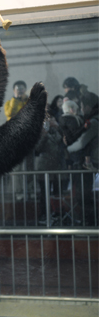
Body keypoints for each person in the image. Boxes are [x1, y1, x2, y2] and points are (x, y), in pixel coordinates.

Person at [67, 93, 98, 225]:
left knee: (83, 196)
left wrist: (66, 148)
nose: (81, 109)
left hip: (91, 163)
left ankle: (89, 223)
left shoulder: (94, 121)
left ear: (88, 106)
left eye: (82, 106)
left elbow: (81, 143)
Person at [35, 112, 65, 224]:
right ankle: (44, 215)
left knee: (57, 193)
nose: (51, 122)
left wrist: (58, 128)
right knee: (44, 193)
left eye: (52, 119)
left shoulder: (58, 132)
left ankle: (57, 213)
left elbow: (62, 143)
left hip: (57, 167)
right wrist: (44, 134)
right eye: (49, 120)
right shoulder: (40, 133)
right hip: (44, 167)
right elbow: (37, 149)